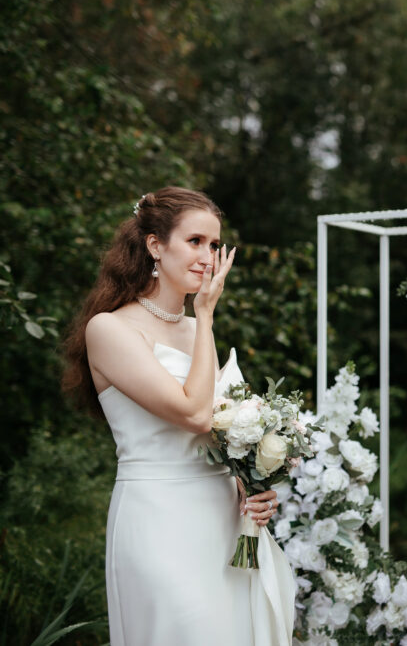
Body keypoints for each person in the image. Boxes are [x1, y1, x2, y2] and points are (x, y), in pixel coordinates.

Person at [63, 187, 291, 646]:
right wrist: (205, 315)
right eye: (195, 241)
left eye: (214, 244)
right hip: (159, 519)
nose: (208, 257)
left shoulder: (195, 329)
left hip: (225, 522)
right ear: (155, 245)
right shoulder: (109, 329)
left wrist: (254, 485)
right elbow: (195, 413)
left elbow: (219, 433)